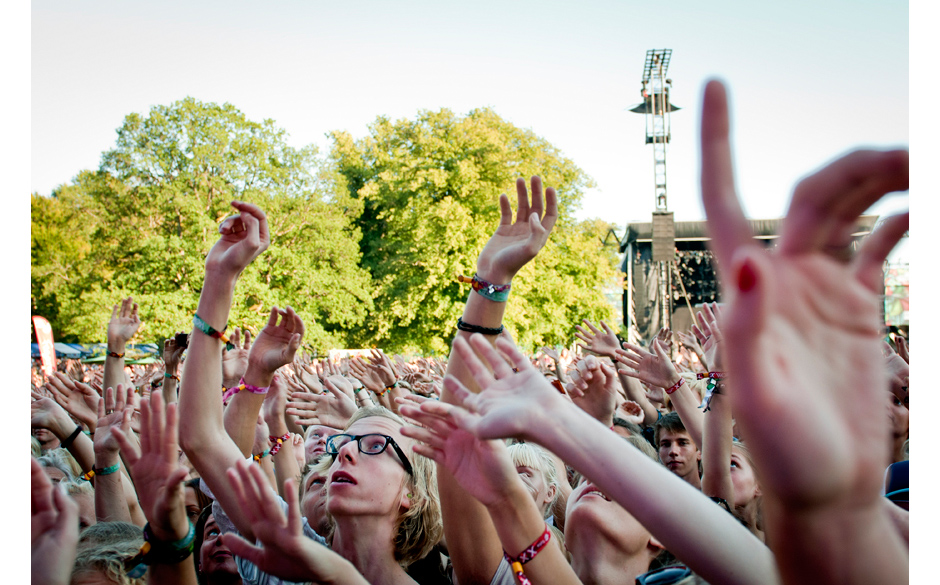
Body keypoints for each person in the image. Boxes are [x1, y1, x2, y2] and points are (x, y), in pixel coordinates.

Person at [654, 413, 702, 490]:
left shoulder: (716, 497)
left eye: (683, 443)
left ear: (700, 452)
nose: (673, 451)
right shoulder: (649, 498)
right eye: (666, 444)